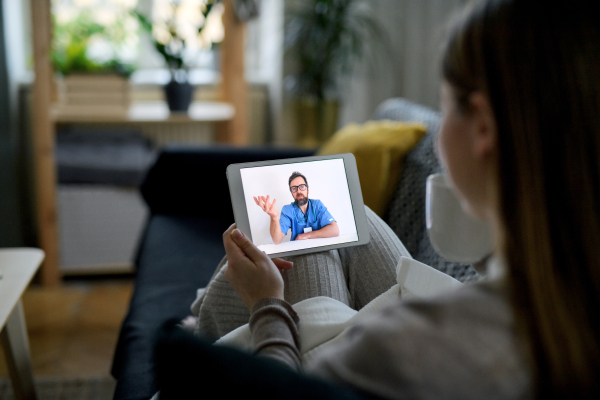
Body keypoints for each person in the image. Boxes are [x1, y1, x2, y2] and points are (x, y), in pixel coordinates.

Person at [220, 0, 600, 398]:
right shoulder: (570, 296)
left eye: (444, 104)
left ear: (483, 128)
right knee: (350, 218)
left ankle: (202, 321)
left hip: (316, 355)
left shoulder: (405, 349)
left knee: (298, 251)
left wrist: (266, 303)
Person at [253, 171, 339, 244]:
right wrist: (274, 217)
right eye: (294, 188)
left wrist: (306, 235)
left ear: (307, 189)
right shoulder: (287, 210)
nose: (298, 191)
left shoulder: (317, 205)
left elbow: (335, 230)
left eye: (302, 187)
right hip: (299, 253)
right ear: (291, 192)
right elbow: (277, 240)